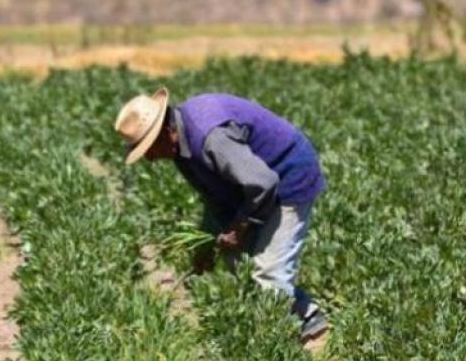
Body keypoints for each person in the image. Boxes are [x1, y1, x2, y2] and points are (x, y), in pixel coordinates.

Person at [114, 88, 328, 341]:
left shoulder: (210, 139)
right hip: (255, 186)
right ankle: (306, 314)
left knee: (269, 274)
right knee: (237, 259)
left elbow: (263, 183)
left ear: (165, 133)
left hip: (288, 177)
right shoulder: (181, 148)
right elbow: (215, 198)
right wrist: (206, 245)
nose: (149, 159)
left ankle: (276, 347)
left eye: (148, 149)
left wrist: (240, 227)